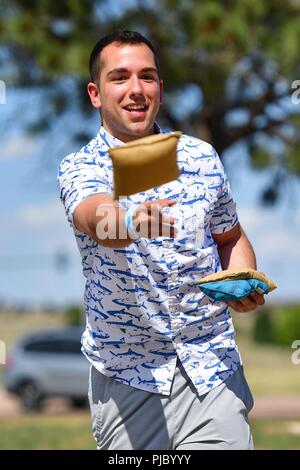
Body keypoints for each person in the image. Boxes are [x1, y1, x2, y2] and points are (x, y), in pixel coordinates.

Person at [58, 29, 265, 450]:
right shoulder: (79, 168)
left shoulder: (201, 157)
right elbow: (98, 220)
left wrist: (241, 278)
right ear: (96, 94)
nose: (136, 89)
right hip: (129, 381)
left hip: (212, 371)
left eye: (147, 76)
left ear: (160, 89)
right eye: (120, 77)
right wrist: (132, 220)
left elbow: (230, 236)